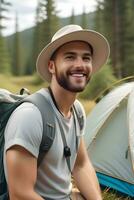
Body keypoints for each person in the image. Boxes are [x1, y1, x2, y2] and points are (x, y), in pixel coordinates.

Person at [4, 24, 110, 200]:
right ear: (51, 66)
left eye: (86, 58)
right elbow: (20, 194)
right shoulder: (30, 116)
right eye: (70, 57)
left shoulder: (77, 110)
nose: (80, 65)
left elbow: (81, 165)